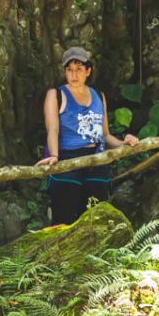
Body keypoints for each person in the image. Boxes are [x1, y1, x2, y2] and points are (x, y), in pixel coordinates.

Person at [36, 46, 138, 225]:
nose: (74, 75)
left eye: (79, 69)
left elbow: (105, 135)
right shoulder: (56, 95)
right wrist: (54, 156)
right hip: (68, 161)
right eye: (69, 70)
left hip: (97, 162)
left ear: (88, 71)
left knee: (95, 222)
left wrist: (125, 143)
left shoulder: (99, 96)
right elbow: (53, 129)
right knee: (63, 221)